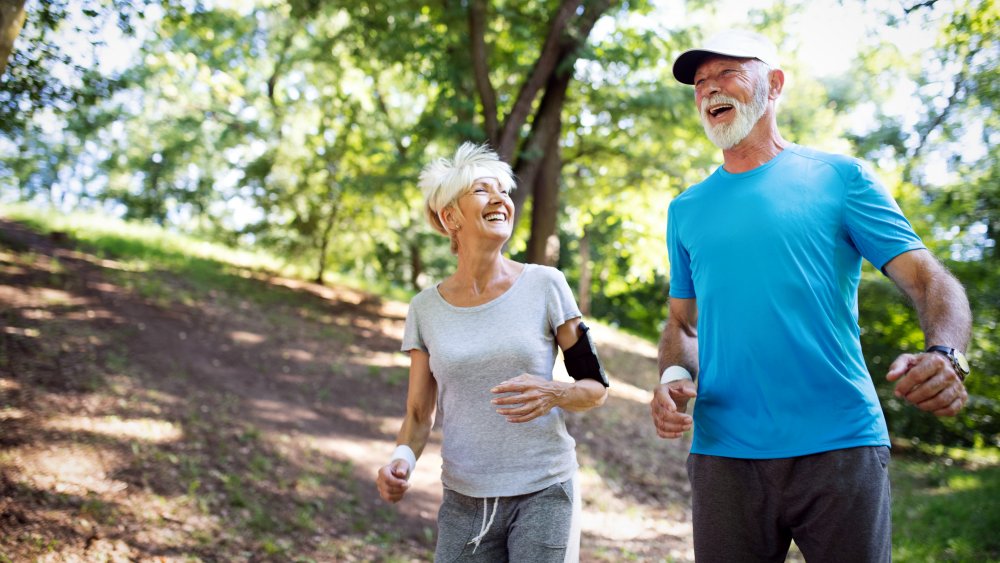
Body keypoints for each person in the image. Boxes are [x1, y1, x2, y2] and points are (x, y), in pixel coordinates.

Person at [649, 29, 973, 563]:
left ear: (773, 85)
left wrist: (946, 355)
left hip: (840, 444)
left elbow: (929, 280)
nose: (709, 90)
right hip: (723, 454)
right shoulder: (687, 209)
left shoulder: (840, 178)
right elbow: (684, 326)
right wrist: (674, 378)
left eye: (726, 73)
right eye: (700, 83)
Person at [376, 142, 608, 562]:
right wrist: (401, 459)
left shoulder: (546, 285)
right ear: (451, 217)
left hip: (544, 488)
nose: (501, 199)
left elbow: (595, 388)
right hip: (464, 497)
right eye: (483, 190)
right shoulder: (425, 309)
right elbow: (416, 414)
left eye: (504, 191)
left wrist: (553, 391)